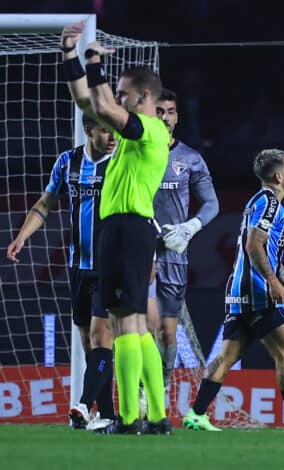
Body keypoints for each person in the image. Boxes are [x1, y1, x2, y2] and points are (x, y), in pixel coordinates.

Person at [60, 20, 170, 435]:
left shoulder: (149, 130)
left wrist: (93, 60)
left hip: (126, 228)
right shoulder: (133, 134)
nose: (117, 98)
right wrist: (71, 56)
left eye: (125, 93)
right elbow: (90, 103)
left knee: (125, 324)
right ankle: (156, 418)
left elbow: (103, 105)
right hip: (128, 230)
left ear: (143, 97)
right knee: (137, 325)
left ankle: (126, 419)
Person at [183, 149, 284, 432]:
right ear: (278, 176)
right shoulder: (270, 204)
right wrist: (273, 283)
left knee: (226, 356)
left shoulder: (259, 201)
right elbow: (255, 246)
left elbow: (269, 255)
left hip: (241, 290)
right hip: (258, 291)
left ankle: (196, 413)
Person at [7, 115, 117, 431]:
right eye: (104, 130)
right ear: (88, 130)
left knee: (101, 337)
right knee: (90, 344)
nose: (112, 136)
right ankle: (107, 415)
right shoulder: (67, 162)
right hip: (77, 267)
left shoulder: (123, 161)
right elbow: (45, 203)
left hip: (110, 267)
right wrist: (22, 236)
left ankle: (82, 404)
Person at [153, 88, 219, 387]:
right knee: (137, 327)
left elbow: (211, 203)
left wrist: (190, 227)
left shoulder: (189, 158)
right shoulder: (131, 153)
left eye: (170, 111)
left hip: (172, 253)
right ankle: (136, 393)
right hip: (138, 252)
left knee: (168, 331)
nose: (165, 117)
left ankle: (160, 390)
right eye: (159, 111)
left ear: (177, 116)